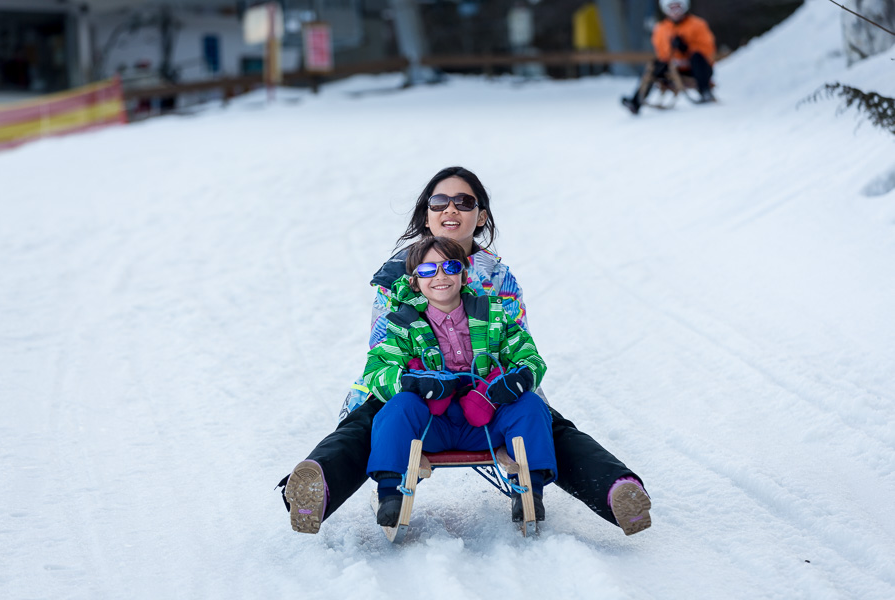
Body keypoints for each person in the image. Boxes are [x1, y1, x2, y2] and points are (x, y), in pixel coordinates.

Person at [281, 166, 651, 536]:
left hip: (489, 386)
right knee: (371, 422)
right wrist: (410, 382)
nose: (450, 210)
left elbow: (518, 342)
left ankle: (617, 493)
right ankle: (314, 490)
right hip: (414, 385)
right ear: (427, 216)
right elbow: (382, 348)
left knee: (546, 422)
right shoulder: (397, 274)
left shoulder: (498, 278)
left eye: (464, 202)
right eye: (439, 202)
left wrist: (517, 379)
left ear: (481, 216)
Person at [365, 236, 556, 526]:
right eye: (428, 271)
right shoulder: (403, 323)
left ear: (463, 275)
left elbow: (527, 354)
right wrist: (411, 383)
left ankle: (530, 491)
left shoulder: (492, 314)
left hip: (487, 420)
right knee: (399, 407)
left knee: (529, 404)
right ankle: (390, 492)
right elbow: (377, 370)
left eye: (449, 267)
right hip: (431, 425)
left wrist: (521, 377)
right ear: (415, 282)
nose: (440, 276)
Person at [622, 0, 716, 115]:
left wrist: (686, 48)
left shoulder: (697, 24)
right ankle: (636, 101)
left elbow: (708, 49)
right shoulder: (661, 29)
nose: (675, 12)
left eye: (678, 8)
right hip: (673, 70)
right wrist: (671, 49)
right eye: (672, 8)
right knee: (655, 65)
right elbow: (662, 54)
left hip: (695, 69)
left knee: (697, 57)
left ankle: (705, 92)